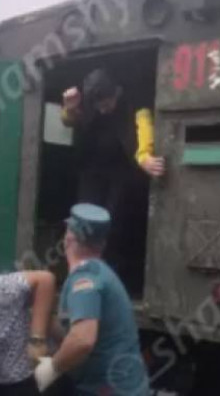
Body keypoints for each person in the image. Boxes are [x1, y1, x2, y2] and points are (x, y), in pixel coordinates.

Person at [33, 204, 149, 395]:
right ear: (102, 243)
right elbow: (73, 333)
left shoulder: (85, 280)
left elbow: (82, 340)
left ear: (69, 239)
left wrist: (52, 368)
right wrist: (44, 317)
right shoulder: (101, 272)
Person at [60, 68, 152, 293]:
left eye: (106, 104)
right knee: (83, 220)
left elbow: (144, 124)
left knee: (114, 222)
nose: (102, 110)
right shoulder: (87, 102)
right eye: (98, 106)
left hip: (121, 169)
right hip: (91, 170)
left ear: (116, 92)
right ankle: (81, 273)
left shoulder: (134, 101)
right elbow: (70, 121)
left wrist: (144, 155)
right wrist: (69, 109)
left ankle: (111, 276)